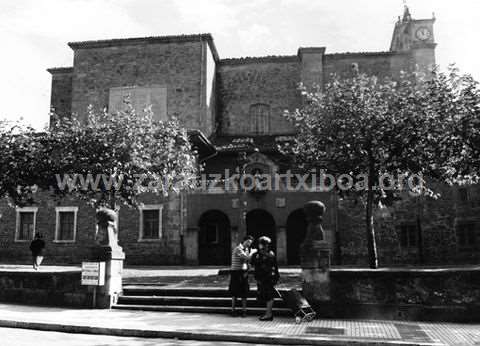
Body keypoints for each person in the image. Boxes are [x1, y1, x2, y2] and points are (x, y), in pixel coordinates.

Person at [251, 236, 280, 321]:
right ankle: (268, 313)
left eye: (261, 243)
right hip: (265, 278)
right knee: (266, 295)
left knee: (269, 296)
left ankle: (268, 314)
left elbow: (256, 263)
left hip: (267, 278)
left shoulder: (264, 254)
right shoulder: (264, 253)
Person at [229, 235, 256, 317]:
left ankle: (244, 311)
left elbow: (247, 261)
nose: (249, 244)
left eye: (250, 243)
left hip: (243, 272)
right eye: (248, 242)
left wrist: (248, 269)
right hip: (236, 273)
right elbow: (247, 257)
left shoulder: (247, 249)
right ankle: (233, 310)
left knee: (244, 292)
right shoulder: (238, 249)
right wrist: (252, 252)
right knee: (234, 293)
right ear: (244, 241)